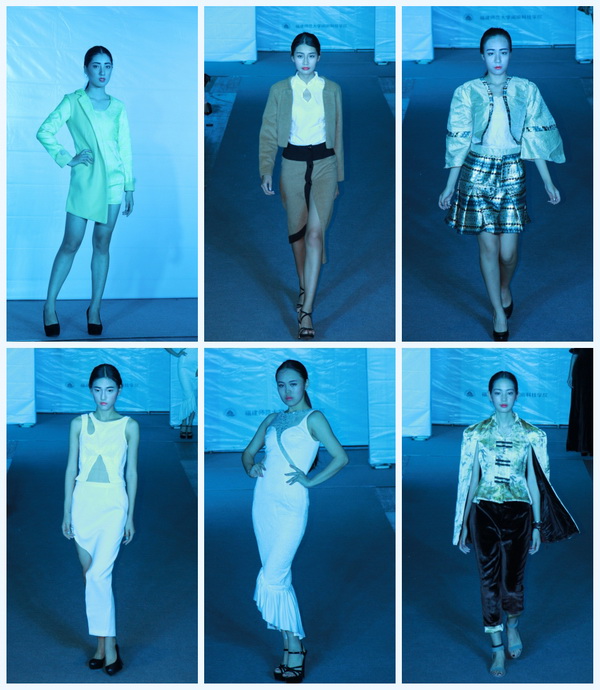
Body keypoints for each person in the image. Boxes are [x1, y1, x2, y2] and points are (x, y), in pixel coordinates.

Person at [438, 28, 565, 341]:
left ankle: (504, 287)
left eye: (503, 52)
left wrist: (548, 181)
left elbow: (535, 137)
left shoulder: (527, 89)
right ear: (482, 55)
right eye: (491, 52)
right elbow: (459, 140)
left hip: (512, 171)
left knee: (508, 253)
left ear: (510, 54)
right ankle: (497, 310)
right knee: (488, 247)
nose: (497, 59)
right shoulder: (466, 92)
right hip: (476, 173)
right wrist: (450, 185)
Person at [453, 371, 579, 677]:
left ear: (517, 395)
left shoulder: (531, 435)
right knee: (488, 581)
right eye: (498, 392)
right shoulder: (476, 433)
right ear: (489, 395)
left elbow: (534, 481)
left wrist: (537, 525)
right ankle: (496, 648)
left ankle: (512, 624)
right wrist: (464, 524)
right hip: (484, 511)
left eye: (509, 392)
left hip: (519, 513)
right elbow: (471, 480)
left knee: (513, 580)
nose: (504, 398)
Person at [242, 360, 348, 682]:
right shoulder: (272, 420)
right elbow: (248, 453)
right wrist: (251, 467)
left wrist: (311, 481)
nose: (287, 391)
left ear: (305, 383)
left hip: (291, 506)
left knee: (273, 577)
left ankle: (296, 647)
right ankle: (291, 646)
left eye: (293, 384)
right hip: (263, 503)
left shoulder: (314, 418)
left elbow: (341, 457)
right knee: (280, 577)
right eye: (281, 385)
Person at [37, 46, 135, 338]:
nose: (103, 72)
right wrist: (68, 158)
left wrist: (129, 186)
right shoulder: (73, 101)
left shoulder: (118, 107)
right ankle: (49, 306)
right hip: (86, 181)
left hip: (114, 182)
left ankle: (94, 308)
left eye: (108, 66)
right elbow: (45, 130)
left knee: (102, 244)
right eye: (96, 66)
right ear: (86, 68)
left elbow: (125, 149)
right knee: (71, 243)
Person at [259, 33, 344, 340]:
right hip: (292, 165)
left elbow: (337, 133)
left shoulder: (331, 89)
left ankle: (306, 310)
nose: (305, 61)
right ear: (292, 58)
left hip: (325, 164)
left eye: (310, 55)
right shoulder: (280, 90)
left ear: (319, 57)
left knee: (315, 234)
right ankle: (304, 286)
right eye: (299, 55)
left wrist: (338, 177)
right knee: (297, 233)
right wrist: (266, 169)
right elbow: (269, 132)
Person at [62, 364, 139, 675]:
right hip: (83, 504)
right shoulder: (78, 423)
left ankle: (110, 648)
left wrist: (130, 516)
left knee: (98, 576)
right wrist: (66, 510)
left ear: (119, 390)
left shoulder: (130, 426)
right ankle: (103, 644)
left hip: (113, 505)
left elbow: (132, 473)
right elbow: (71, 468)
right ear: (90, 390)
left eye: (109, 390)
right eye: (97, 389)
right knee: (89, 577)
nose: (103, 396)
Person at [165, 348, 198, 438]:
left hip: (197, 365)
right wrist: (176, 354)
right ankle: (184, 423)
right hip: (184, 365)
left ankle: (189, 424)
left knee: (193, 397)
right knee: (188, 395)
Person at [566, 348, 593, 456]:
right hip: (582, 372)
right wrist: (570, 376)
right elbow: (575, 355)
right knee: (582, 407)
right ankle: (583, 445)